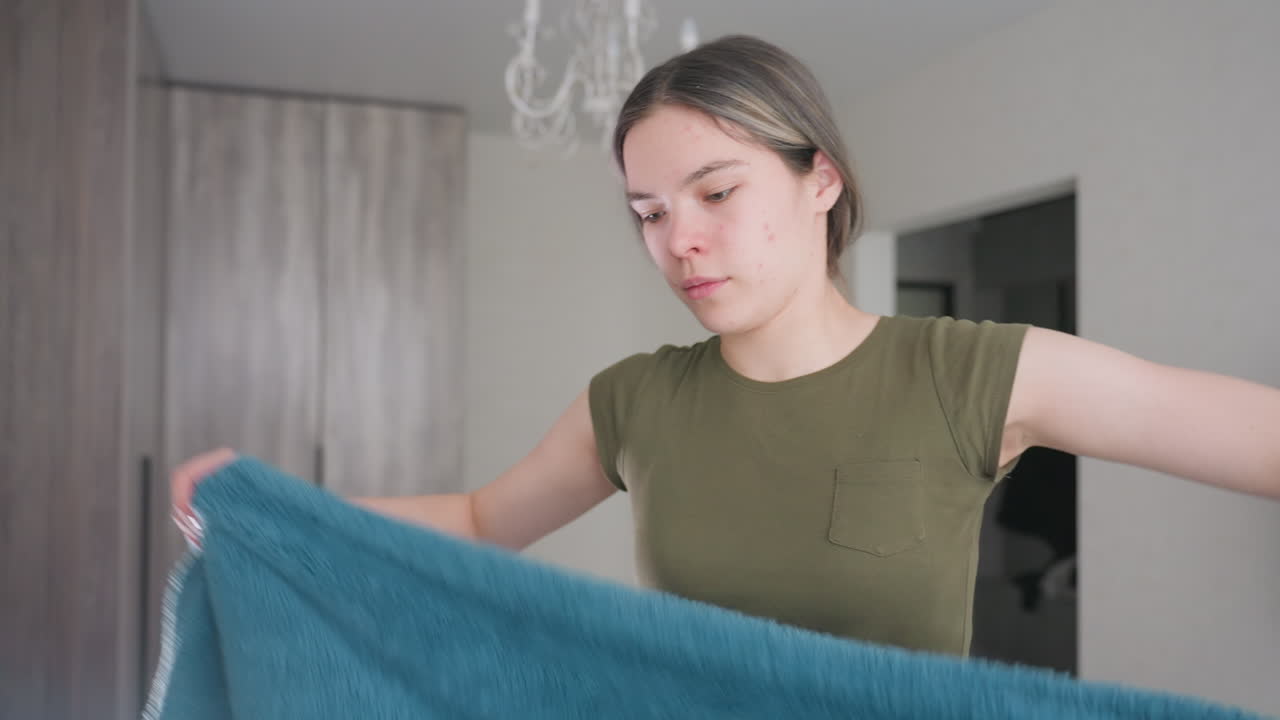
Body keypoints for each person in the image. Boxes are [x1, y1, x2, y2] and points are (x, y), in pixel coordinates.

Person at [170, 35, 1280, 657]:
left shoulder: (971, 375)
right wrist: (264, 497)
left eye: (713, 191)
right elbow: (475, 521)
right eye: (648, 212)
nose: (679, 240)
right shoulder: (634, 403)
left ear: (820, 180)